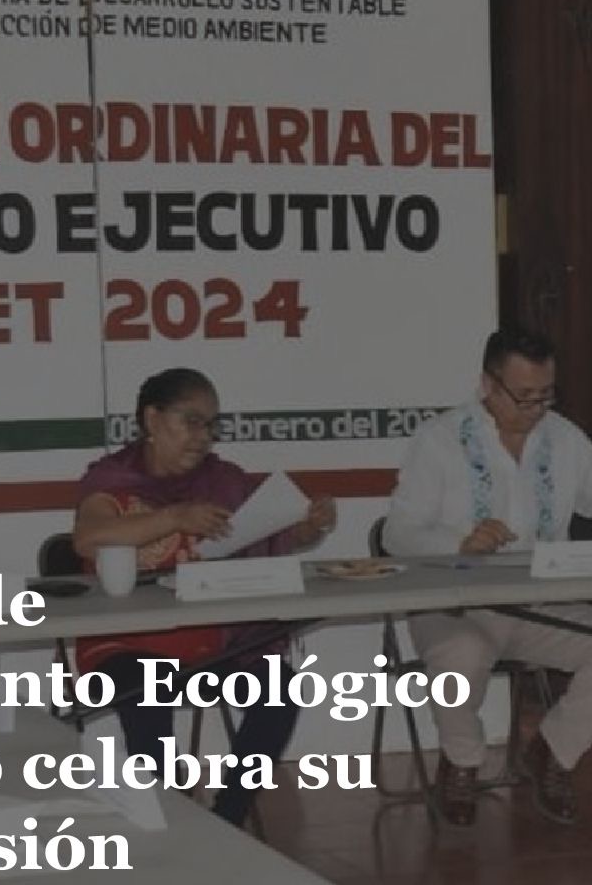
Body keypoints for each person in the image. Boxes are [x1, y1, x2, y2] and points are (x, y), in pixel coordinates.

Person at [72, 367, 335, 829]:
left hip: (210, 645)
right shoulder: (111, 480)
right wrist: (174, 518)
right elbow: (88, 538)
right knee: (147, 689)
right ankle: (169, 819)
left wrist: (310, 526)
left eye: (211, 425)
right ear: (152, 420)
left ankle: (226, 821)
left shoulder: (224, 481)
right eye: (191, 421)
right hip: (125, 647)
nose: (203, 437)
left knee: (279, 689)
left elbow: (266, 534)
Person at [384, 326, 592, 827]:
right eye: (524, 396)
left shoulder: (567, 440)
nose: (536, 409)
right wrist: (459, 542)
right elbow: (397, 534)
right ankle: (461, 762)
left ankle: (553, 752)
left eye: (546, 395)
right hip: (455, 605)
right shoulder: (440, 439)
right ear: (487, 385)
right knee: (464, 653)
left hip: (540, 606)